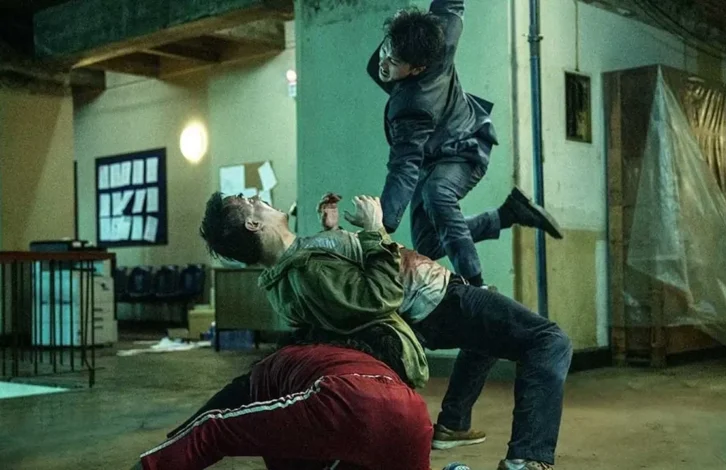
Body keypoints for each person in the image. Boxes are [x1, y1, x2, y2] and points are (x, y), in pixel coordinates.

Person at [199, 192, 573, 470]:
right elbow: (379, 295)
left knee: (486, 335)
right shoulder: (305, 270)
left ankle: (453, 423)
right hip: (434, 300)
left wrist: (332, 231)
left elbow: (342, 281)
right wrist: (374, 227)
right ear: (253, 225)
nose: (259, 199)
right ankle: (527, 458)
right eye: (249, 202)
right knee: (548, 341)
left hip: (433, 300)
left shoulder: (294, 264)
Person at [366, 0, 563, 288]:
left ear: (418, 69)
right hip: (434, 151)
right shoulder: (440, 31)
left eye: (394, 63)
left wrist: (380, 224)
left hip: (466, 148)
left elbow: (404, 167)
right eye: (386, 49)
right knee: (428, 244)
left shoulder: (413, 106)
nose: (384, 62)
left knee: (437, 193)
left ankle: (476, 284)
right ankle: (508, 214)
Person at [131, 325, 470, 470]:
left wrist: (152, 464)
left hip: (343, 400)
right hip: (413, 411)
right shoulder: (356, 362)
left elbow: (213, 430)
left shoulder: (271, 369)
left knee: (214, 432)